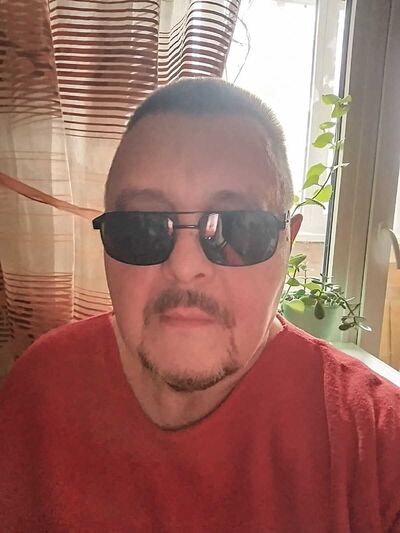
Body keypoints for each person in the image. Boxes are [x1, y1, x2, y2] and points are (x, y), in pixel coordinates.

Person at [0, 78, 399, 533]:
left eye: (237, 228)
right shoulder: (40, 387)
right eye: (143, 227)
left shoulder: (379, 443)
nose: (185, 267)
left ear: (287, 244)